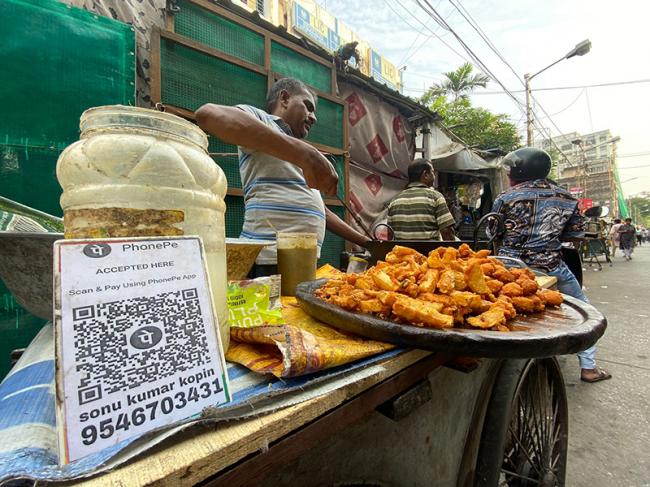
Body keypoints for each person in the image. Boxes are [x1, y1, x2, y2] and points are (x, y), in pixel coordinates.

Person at [195, 78, 369, 275]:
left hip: (303, 258)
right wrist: (305, 154)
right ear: (284, 98)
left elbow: (321, 211)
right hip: (267, 259)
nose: (314, 118)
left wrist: (368, 242)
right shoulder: (262, 120)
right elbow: (208, 114)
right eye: (308, 107)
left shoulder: (292, 149)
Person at [492, 147, 611, 383]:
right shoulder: (567, 198)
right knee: (586, 314)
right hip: (550, 265)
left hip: (508, 268)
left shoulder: (505, 197)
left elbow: (492, 232)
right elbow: (576, 235)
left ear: (518, 171)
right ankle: (589, 368)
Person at [386, 159, 456, 240]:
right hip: (429, 252)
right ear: (425, 174)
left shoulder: (394, 201)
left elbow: (390, 235)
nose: (434, 176)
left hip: (402, 252)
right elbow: (446, 232)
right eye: (432, 172)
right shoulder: (435, 197)